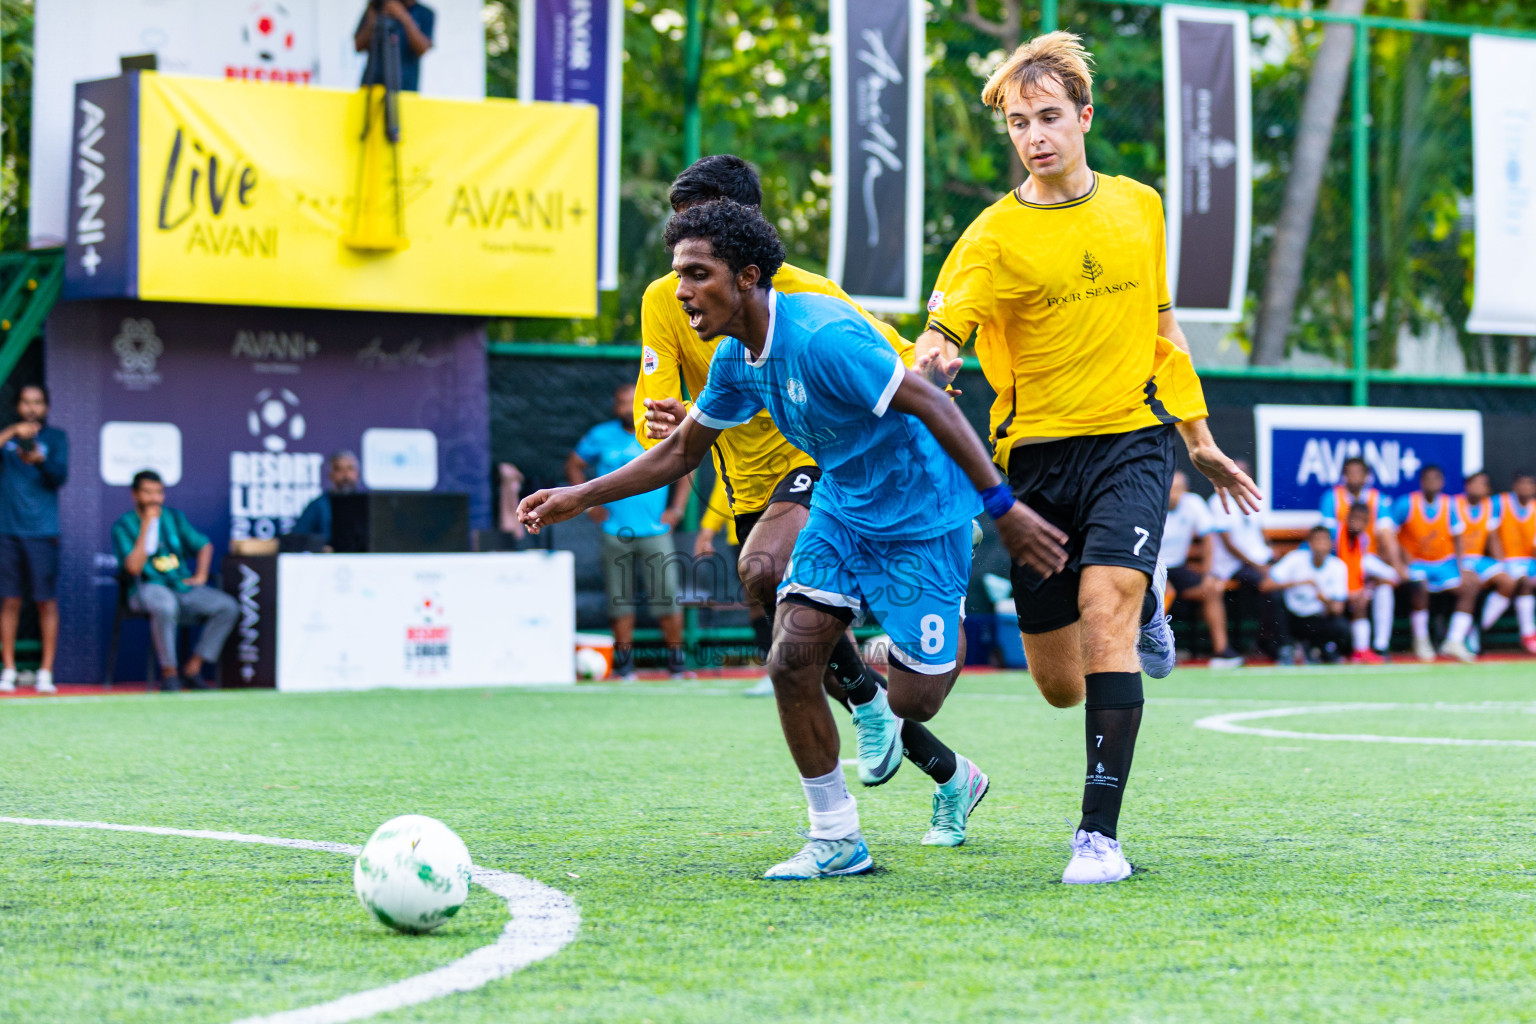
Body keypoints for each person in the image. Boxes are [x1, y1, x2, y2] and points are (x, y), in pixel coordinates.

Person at [520, 200, 1068, 879]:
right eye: (678, 274)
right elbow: (682, 451)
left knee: (914, 701)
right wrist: (578, 496)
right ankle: (836, 837)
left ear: (747, 276)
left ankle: (893, 649)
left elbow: (931, 402)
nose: (682, 291)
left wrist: (1003, 508)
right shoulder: (735, 359)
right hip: (841, 509)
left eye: (697, 273)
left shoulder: (821, 336)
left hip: (923, 516)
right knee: (789, 659)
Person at [914, 32, 1260, 882]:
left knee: (1106, 610)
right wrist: (934, 359)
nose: (1034, 135)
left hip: (1132, 442)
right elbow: (942, 330)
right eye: (1019, 123)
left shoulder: (1140, 206)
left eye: (1049, 117)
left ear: (1085, 117)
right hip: (1035, 463)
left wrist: (1198, 438)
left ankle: (1097, 836)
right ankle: (1148, 603)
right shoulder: (992, 237)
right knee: (1061, 683)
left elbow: (1162, 331)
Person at [636, 156, 987, 847]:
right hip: (744, 483)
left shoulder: (809, 297)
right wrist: (662, 419)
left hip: (816, 469)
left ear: (745, 228)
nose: (688, 243)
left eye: (703, 220)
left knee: (763, 570)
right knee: (803, 658)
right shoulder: (668, 297)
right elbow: (660, 413)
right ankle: (951, 775)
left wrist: (930, 372)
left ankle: (876, 706)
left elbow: (897, 365)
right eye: (682, 225)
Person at [569, 384, 691, 680]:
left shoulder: (659, 431)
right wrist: (588, 506)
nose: (626, 407)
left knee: (667, 597)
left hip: (655, 531)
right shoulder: (601, 435)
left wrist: (676, 510)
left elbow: (688, 467)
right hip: (615, 532)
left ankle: (676, 665)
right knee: (619, 599)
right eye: (621, 402)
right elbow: (574, 465)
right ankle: (625, 667)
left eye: (630, 401)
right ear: (615, 407)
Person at [111, 470, 240, 692]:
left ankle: (193, 669)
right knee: (165, 604)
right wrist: (147, 525)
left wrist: (200, 576)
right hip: (145, 588)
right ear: (135, 494)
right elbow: (133, 568)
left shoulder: (174, 518)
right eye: (148, 492)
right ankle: (169, 675)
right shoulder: (124, 525)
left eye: (159, 492)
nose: (154, 498)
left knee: (227, 607)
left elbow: (204, 545)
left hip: (179, 586)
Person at [0, 385, 67, 694]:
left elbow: (60, 477)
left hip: (42, 532)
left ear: (46, 407)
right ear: (18, 406)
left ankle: (45, 672)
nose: (31, 408)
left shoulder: (56, 438)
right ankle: (9, 669)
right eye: (26, 402)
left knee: (45, 602)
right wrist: (12, 432)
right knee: (9, 600)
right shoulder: (8, 436)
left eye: (37, 403)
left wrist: (39, 460)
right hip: (7, 530)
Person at [1384, 464, 1477, 663]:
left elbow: (1458, 538)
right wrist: (1400, 563)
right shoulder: (1406, 503)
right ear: (1421, 482)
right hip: (1417, 563)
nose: (1432, 483)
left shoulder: (1450, 505)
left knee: (1471, 585)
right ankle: (1421, 639)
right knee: (1420, 587)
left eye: (1436, 479)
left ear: (1442, 482)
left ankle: (1454, 640)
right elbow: (1390, 534)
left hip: (1443, 564)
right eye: (1428, 479)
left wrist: (1462, 567)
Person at [1162, 471, 1244, 668]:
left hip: (1179, 568)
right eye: (1170, 489)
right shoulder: (1151, 504)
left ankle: (1222, 651)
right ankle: (1157, 652)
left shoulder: (1194, 503)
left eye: (1178, 489)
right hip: (1152, 568)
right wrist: (1159, 579)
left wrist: (1208, 574)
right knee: (1162, 593)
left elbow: (1208, 538)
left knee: (1213, 589)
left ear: (1185, 490)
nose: (1173, 494)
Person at [1207, 459, 1277, 658]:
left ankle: (1277, 642)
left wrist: (1271, 552)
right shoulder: (1218, 500)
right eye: (1234, 473)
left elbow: (1259, 532)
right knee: (1267, 586)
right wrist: (1257, 566)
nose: (1238, 478)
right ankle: (1266, 644)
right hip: (1232, 565)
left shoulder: (1254, 495)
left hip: (1257, 560)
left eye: (1242, 474)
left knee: (1282, 581)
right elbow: (1229, 544)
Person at [1263, 526, 1351, 664]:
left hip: (1316, 618)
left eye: (1324, 540)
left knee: (1341, 627)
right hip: (1291, 616)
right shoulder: (1295, 558)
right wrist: (1299, 583)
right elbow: (1265, 585)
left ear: (1331, 544)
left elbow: (1337, 609)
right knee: (1274, 598)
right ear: (1309, 543)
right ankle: (1286, 648)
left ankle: (1320, 649)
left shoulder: (1338, 566)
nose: (1320, 545)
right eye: (1317, 540)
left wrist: (1324, 599)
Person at [1456, 471, 1520, 648]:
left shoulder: (1488, 507)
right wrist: (1459, 567)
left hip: (1478, 559)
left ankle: (1477, 628)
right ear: (1467, 485)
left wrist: (1502, 564)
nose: (1480, 487)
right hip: (1456, 559)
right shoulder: (1453, 505)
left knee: (1508, 581)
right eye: (1476, 483)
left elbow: (1493, 539)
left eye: (1484, 484)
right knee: (1472, 583)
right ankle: (1460, 635)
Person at [1336, 501, 1400, 663]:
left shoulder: (1363, 540)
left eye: (1363, 520)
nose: (1358, 523)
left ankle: (1379, 646)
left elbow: (1362, 569)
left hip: (1353, 589)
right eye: (1355, 518)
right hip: (1332, 590)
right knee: (1360, 596)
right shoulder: (1334, 536)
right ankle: (1359, 649)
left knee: (1383, 587)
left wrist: (1367, 587)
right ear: (1347, 517)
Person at [1320, 456, 1400, 567]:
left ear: (1366, 476)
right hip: (1338, 555)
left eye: (1358, 472)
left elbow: (1386, 531)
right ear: (1344, 475)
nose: (1354, 476)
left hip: (1368, 556)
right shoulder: (1332, 497)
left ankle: (1398, 570)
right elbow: (1327, 531)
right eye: (1350, 472)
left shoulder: (1377, 498)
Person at [1489, 471, 1536, 653]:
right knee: (1515, 582)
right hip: (1505, 561)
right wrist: (1500, 561)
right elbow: (1491, 534)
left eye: (1529, 484)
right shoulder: (1499, 503)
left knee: (1526, 581)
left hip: (1528, 563)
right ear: (1514, 485)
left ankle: (1528, 634)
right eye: (1522, 483)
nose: (1525, 487)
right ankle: (1478, 628)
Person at [354, 0, 434, 93]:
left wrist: (403, 16)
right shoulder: (376, 7)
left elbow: (422, 48)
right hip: (371, 86)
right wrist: (374, 20)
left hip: (405, 88)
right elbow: (358, 46)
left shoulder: (425, 13)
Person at [290, 451, 361, 548]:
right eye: (339, 469)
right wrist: (319, 547)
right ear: (330, 474)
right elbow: (296, 538)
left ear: (357, 473)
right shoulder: (319, 505)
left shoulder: (367, 505)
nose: (346, 475)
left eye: (350, 468)